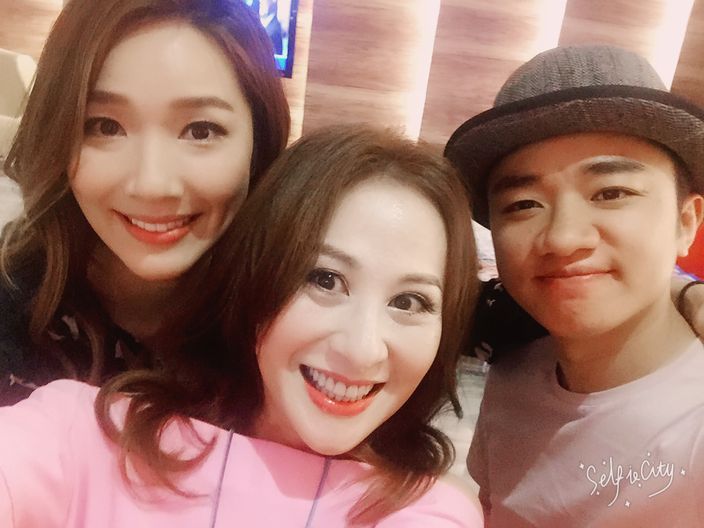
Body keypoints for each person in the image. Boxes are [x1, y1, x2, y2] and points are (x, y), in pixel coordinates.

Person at [0, 125, 484, 527]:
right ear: (255, 277)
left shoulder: (427, 512)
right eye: (325, 279)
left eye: (409, 302)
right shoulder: (83, 435)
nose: (362, 350)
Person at [446, 45, 704, 526]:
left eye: (611, 193)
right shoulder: (512, 376)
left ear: (686, 222)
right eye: (523, 204)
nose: (563, 238)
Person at [0, 0, 290, 405]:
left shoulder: (292, 318)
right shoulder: (12, 304)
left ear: (258, 145)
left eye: (201, 131)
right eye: (106, 126)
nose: (152, 185)